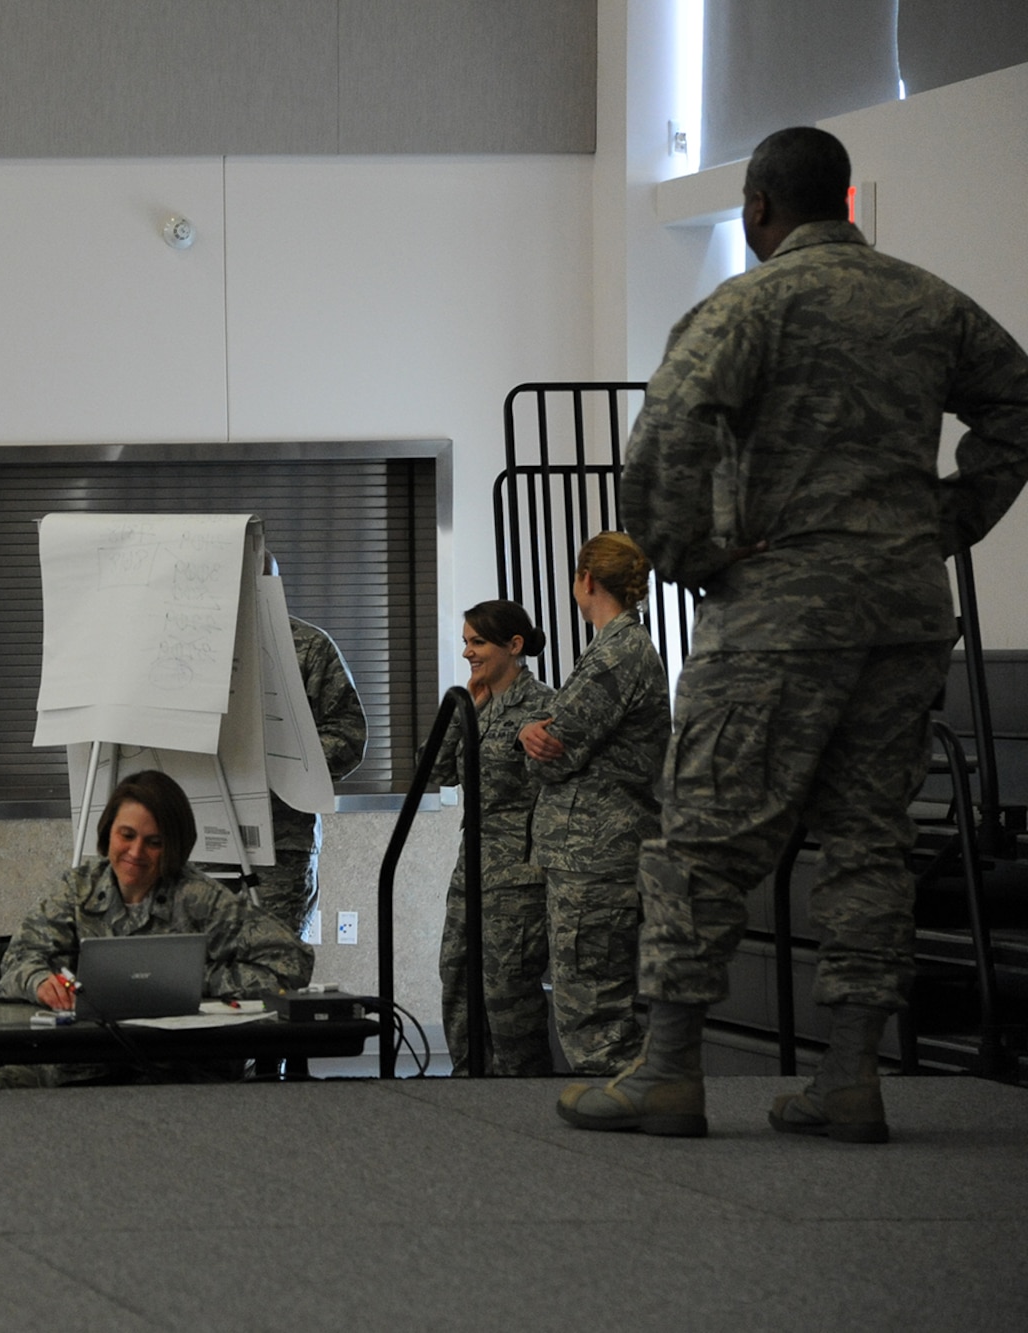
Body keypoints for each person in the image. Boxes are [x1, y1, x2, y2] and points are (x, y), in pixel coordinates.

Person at [559, 127, 1028, 1142]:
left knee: (698, 841)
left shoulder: (747, 304)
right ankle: (849, 1078)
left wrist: (688, 556)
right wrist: (943, 523)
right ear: (844, 204)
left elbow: (660, 436)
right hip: (902, 616)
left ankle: (668, 1071)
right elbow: (1017, 403)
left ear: (757, 208)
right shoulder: (928, 303)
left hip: (776, 617)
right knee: (869, 838)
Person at [0, 769, 313, 1087]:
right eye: (126, 835)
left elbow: (291, 962)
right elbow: (20, 957)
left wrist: (194, 980)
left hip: (182, 1070)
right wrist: (39, 982)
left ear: (174, 845)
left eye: (154, 842)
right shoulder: (77, 888)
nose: (135, 853)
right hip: (81, 1063)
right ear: (107, 833)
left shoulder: (200, 898)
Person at [518, 532, 670, 1074]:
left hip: (598, 852)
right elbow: (555, 736)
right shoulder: (614, 647)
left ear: (586, 580)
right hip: (590, 850)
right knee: (589, 994)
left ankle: (624, 1101)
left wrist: (533, 737)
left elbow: (555, 752)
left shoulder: (617, 654)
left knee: (595, 1005)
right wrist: (533, 731)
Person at [436, 599, 556, 1076]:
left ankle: (521, 1099)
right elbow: (438, 769)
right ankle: (469, 1088)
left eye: (478, 642)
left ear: (515, 645)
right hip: (472, 871)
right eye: (466, 642)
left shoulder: (545, 707)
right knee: (457, 984)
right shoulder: (473, 703)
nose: (468, 652)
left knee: (508, 1000)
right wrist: (469, 707)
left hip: (519, 878)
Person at [261, 608, 369, 937]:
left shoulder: (307, 646)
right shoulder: (182, 641)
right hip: (192, 846)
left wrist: (278, 762)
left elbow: (349, 736)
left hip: (279, 847)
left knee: (275, 965)